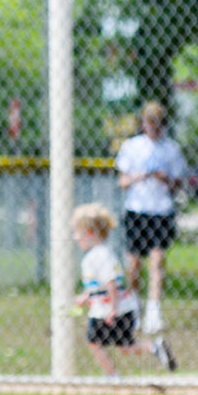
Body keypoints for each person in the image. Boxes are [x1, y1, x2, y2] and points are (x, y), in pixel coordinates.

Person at [71, 203, 177, 377]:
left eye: (77, 233)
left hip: (109, 310)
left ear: (89, 233)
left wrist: (113, 309)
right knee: (126, 347)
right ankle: (154, 347)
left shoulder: (98, 256)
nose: (75, 238)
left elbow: (111, 284)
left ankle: (112, 376)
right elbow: (100, 285)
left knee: (94, 342)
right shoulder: (100, 253)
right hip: (119, 307)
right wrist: (86, 296)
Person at [115, 100, 190, 333]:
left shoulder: (171, 149)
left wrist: (163, 178)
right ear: (143, 124)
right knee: (133, 264)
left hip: (161, 210)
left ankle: (153, 312)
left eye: (157, 123)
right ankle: (134, 307)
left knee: (157, 261)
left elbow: (178, 183)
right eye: (149, 123)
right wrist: (140, 176)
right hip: (137, 209)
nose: (153, 128)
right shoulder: (132, 146)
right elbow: (122, 181)